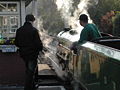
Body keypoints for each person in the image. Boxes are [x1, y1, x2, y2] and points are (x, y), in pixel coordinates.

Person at [15, 14, 43, 90]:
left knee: (29, 70)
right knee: (30, 72)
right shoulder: (34, 30)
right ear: (32, 20)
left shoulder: (19, 30)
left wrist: (23, 48)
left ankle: (32, 87)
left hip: (23, 55)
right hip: (32, 55)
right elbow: (38, 44)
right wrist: (40, 48)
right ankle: (27, 88)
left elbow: (16, 43)